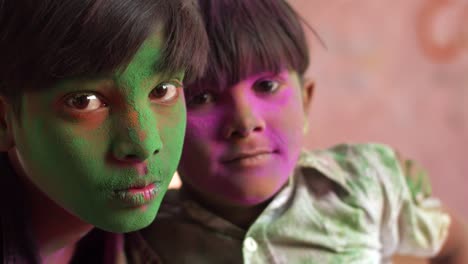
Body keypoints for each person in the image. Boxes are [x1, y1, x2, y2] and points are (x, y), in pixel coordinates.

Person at [132, 0, 468, 263]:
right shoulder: (140, 232)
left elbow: (455, 246)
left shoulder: (364, 184)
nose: (245, 122)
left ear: (306, 101)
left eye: (266, 85)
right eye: (202, 97)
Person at [0, 0, 207, 262]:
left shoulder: (155, 241)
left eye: (162, 90)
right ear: (3, 120)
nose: (144, 144)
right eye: (85, 102)